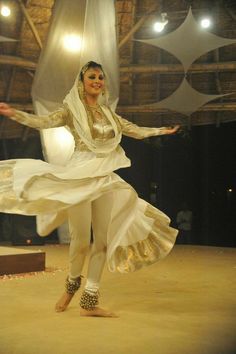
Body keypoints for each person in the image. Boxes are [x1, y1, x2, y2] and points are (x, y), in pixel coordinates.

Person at [0, 61, 179, 317]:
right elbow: (43, 121)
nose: (97, 81)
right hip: (79, 177)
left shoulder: (109, 114)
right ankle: (71, 286)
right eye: (92, 76)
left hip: (104, 178)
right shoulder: (70, 110)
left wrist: (162, 130)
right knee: (81, 241)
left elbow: (135, 131)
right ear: (82, 82)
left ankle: (89, 301)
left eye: (101, 77)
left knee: (102, 242)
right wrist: (14, 113)